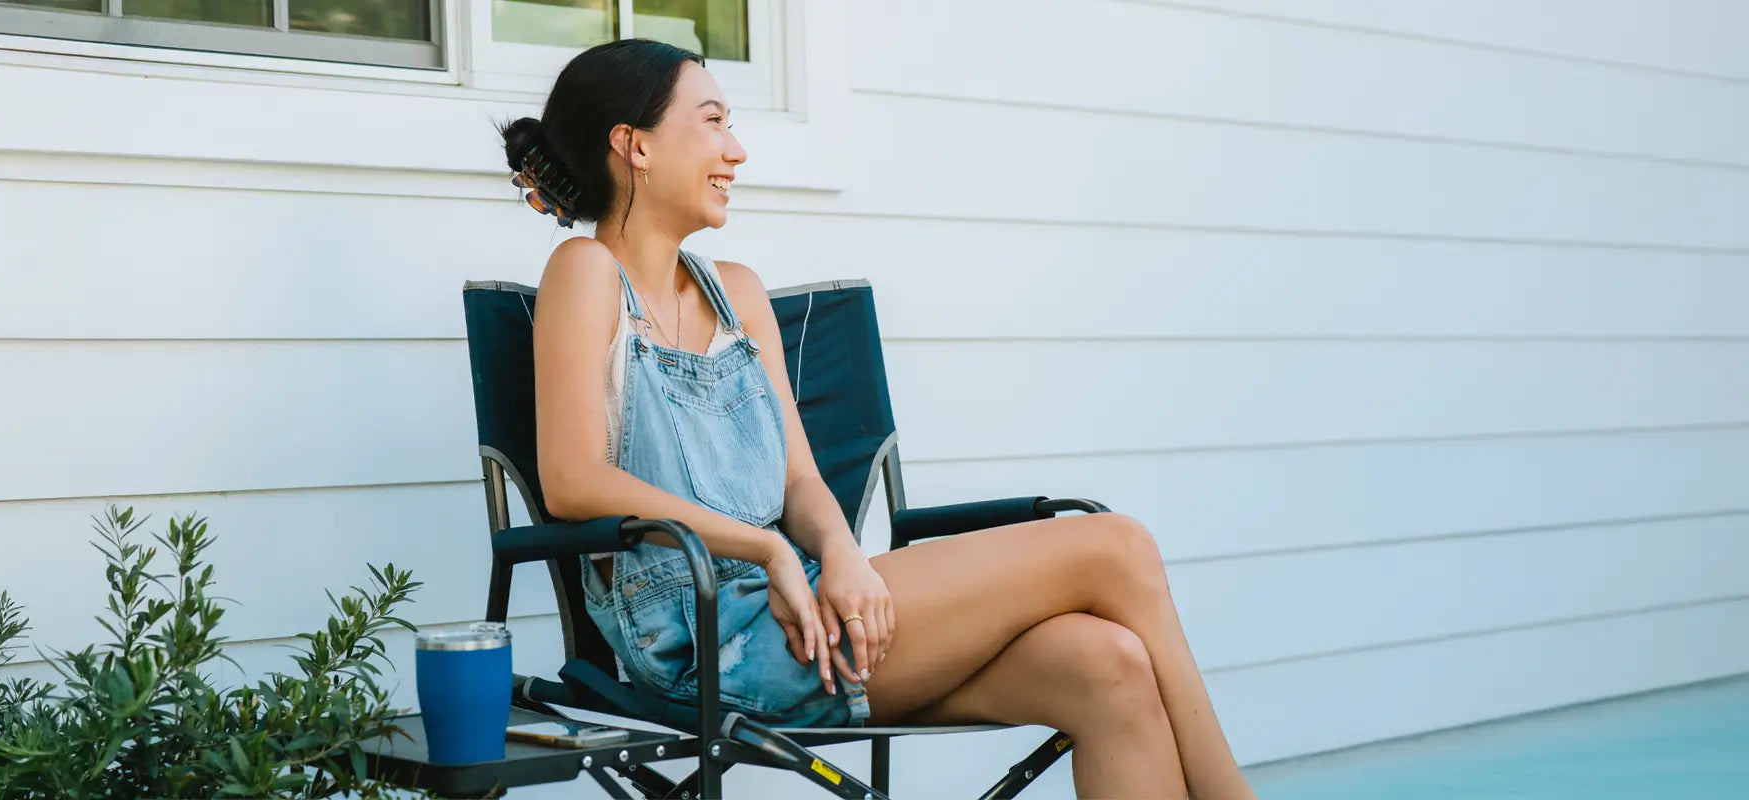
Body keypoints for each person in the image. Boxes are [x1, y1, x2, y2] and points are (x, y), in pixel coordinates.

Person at [501, 38, 1256, 799]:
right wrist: (769, 552)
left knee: (1110, 666)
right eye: (713, 122)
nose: (737, 150)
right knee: (1115, 547)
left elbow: (799, 476)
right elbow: (572, 480)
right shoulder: (585, 272)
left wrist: (844, 555)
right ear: (634, 146)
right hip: (701, 640)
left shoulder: (738, 292)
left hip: (807, 610)